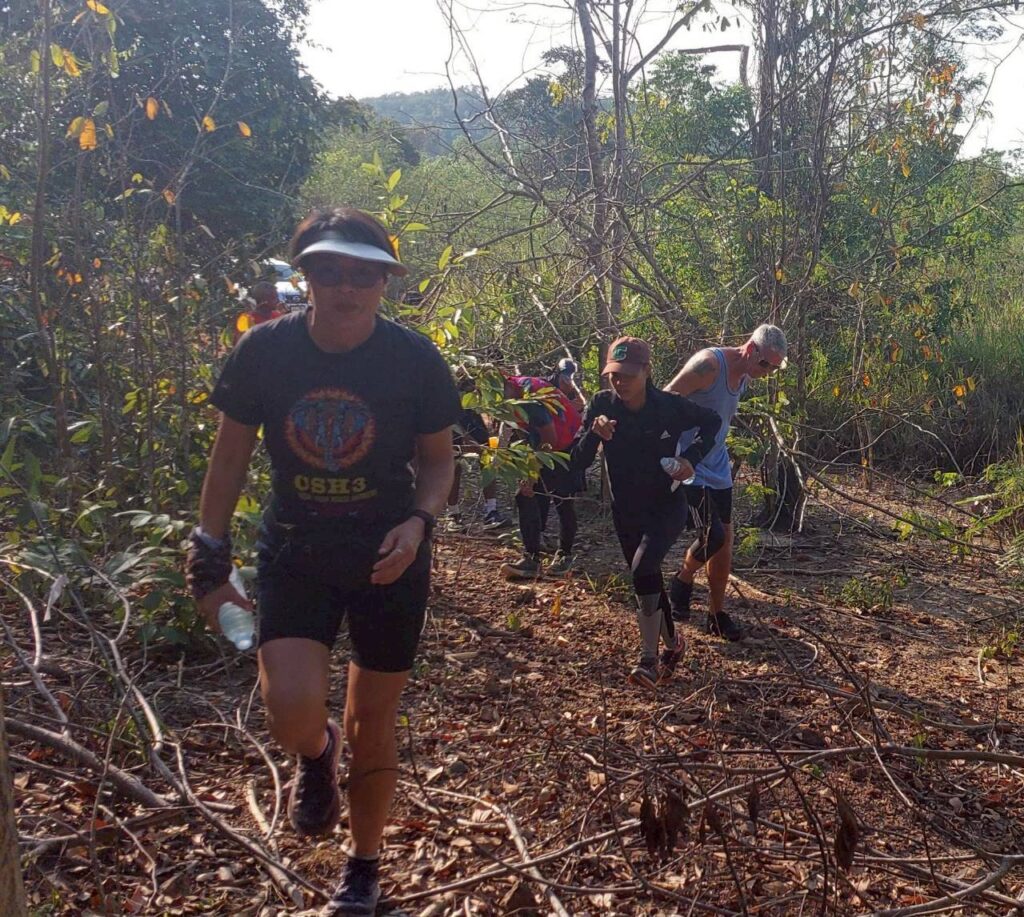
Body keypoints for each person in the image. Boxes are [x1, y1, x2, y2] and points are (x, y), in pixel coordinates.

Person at [186, 208, 460, 916]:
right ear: (305, 275)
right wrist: (209, 548)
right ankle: (316, 752)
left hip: (388, 556)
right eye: (329, 270)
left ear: (385, 282)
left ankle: (364, 867)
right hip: (297, 546)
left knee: (375, 717)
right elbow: (230, 454)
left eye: (364, 273)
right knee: (290, 710)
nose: (347, 286)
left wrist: (419, 523)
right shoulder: (265, 351)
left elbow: (438, 464)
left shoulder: (415, 359)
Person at [570, 337, 721, 689]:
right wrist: (594, 434)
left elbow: (712, 422)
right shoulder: (602, 405)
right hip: (625, 511)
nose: (619, 382)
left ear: (646, 371)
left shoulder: (669, 406)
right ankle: (674, 645)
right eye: (614, 375)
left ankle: (648, 660)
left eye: (627, 375)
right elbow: (577, 460)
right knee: (646, 579)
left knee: (643, 568)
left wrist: (690, 459)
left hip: (666, 506)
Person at [664, 323, 788, 642]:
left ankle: (716, 614)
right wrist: (669, 453)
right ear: (750, 349)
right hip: (688, 463)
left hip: (717, 464)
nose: (767, 373)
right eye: (765, 364)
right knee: (713, 536)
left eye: (774, 369)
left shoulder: (745, 374)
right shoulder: (708, 365)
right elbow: (663, 401)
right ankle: (683, 579)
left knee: (725, 540)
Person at [500, 370, 582, 578]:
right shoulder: (515, 392)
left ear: (505, 380)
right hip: (546, 444)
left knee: (563, 498)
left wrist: (532, 473)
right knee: (528, 495)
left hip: (568, 444)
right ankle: (532, 558)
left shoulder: (530, 398)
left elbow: (549, 440)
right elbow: (527, 433)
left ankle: (564, 555)